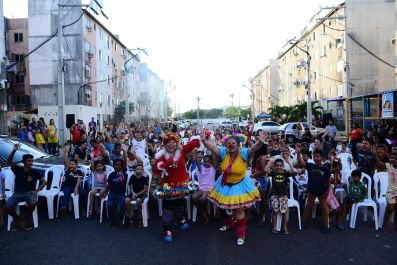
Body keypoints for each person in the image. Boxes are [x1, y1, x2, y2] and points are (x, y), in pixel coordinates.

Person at [202, 133, 263, 246]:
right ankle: (230, 223)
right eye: (228, 143)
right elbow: (213, 148)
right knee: (228, 206)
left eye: (233, 143)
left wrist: (260, 142)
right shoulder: (224, 153)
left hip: (240, 185)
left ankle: (241, 234)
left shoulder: (243, 153)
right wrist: (204, 141)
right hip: (225, 183)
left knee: (239, 209)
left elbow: (253, 149)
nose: (231, 145)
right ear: (226, 145)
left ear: (238, 144)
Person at [152, 133, 200, 243]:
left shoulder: (182, 150)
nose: (171, 144)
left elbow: (194, 144)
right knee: (168, 206)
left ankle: (179, 220)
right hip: (168, 185)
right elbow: (156, 169)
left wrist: (199, 138)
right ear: (165, 144)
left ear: (177, 143)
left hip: (181, 184)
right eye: (168, 142)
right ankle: (167, 229)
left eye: (173, 142)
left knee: (179, 202)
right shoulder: (161, 155)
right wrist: (168, 162)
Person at [5, 143, 47, 231]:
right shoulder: (18, 169)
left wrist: (36, 191)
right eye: (28, 161)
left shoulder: (35, 171)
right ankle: (19, 219)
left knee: (33, 203)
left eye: (32, 161)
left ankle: (25, 219)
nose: (31, 162)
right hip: (17, 193)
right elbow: (9, 161)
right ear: (24, 162)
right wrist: (14, 150)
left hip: (29, 193)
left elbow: (44, 182)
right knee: (7, 207)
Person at [297, 148, 331, 233]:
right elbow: (301, 163)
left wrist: (327, 191)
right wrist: (298, 154)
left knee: (324, 208)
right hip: (311, 191)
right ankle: (303, 221)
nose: (316, 158)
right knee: (308, 206)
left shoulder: (326, 168)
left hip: (322, 192)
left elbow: (328, 181)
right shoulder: (311, 166)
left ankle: (325, 224)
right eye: (314, 156)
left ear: (322, 158)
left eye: (318, 156)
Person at [265, 158, 296, 235]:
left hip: (283, 195)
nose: (279, 167)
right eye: (277, 166)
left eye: (280, 166)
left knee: (284, 212)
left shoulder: (285, 173)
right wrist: (270, 161)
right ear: (274, 166)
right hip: (275, 194)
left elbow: (293, 171)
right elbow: (265, 169)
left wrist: (288, 161)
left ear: (283, 166)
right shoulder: (273, 173)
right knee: (274, 211)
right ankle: (274, 227)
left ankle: (285, 227)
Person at [100, 159, 126, 228]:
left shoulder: (123, 172)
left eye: (120, 165)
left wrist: (124, 153)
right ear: (113, 166)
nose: (118, 166)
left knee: (122, 207)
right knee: (109, 205)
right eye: (116, 165)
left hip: (121, 194)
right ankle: (111, 220)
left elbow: (125, 163)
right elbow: (109, 185)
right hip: (112, 194)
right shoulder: (111, 175)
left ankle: (119, 221)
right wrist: (105, 192)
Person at [59, 147, 86, 216]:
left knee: (83, 192)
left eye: (73, 164)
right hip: (67, 186)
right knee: (66, 192)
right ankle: (64, 207)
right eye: (70, 164)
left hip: (76, 186)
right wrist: (65, 153)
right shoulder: (68, 169)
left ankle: (83, 209)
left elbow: (78, 181)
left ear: (76, 165)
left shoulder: (79, 171)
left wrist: (76, 188)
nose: (71, 165)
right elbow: (65, 162)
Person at [192, 153, 216, 224]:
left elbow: (215, 159)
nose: (206, 163)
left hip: (209, 188)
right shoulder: (201, 168)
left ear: (210, 162)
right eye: (205, 161)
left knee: (202, 199)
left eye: (208, 161)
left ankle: (203, 215)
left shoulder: (213, 168)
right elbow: (197, 161)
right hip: (201, 187)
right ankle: (203, 213)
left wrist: (212, 149)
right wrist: (195, 151)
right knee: (194, 197)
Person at [251, 144, 269, 225]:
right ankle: (250, 214)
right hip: (256, 179)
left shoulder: (262, 158)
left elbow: (264, 171)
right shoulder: (258, 157)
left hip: (260, 180)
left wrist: (254, 175)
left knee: (262, 200)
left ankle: (261, 217)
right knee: (252, 197)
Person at [382, 153, 397, 233]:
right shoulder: (388, 166)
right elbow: (379, 163)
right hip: (390, 191)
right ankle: (385, 226)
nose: (393, 160)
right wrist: (375, 154)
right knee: (390, 208)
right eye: (392, 158)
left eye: (395, 158)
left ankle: (396, 225)